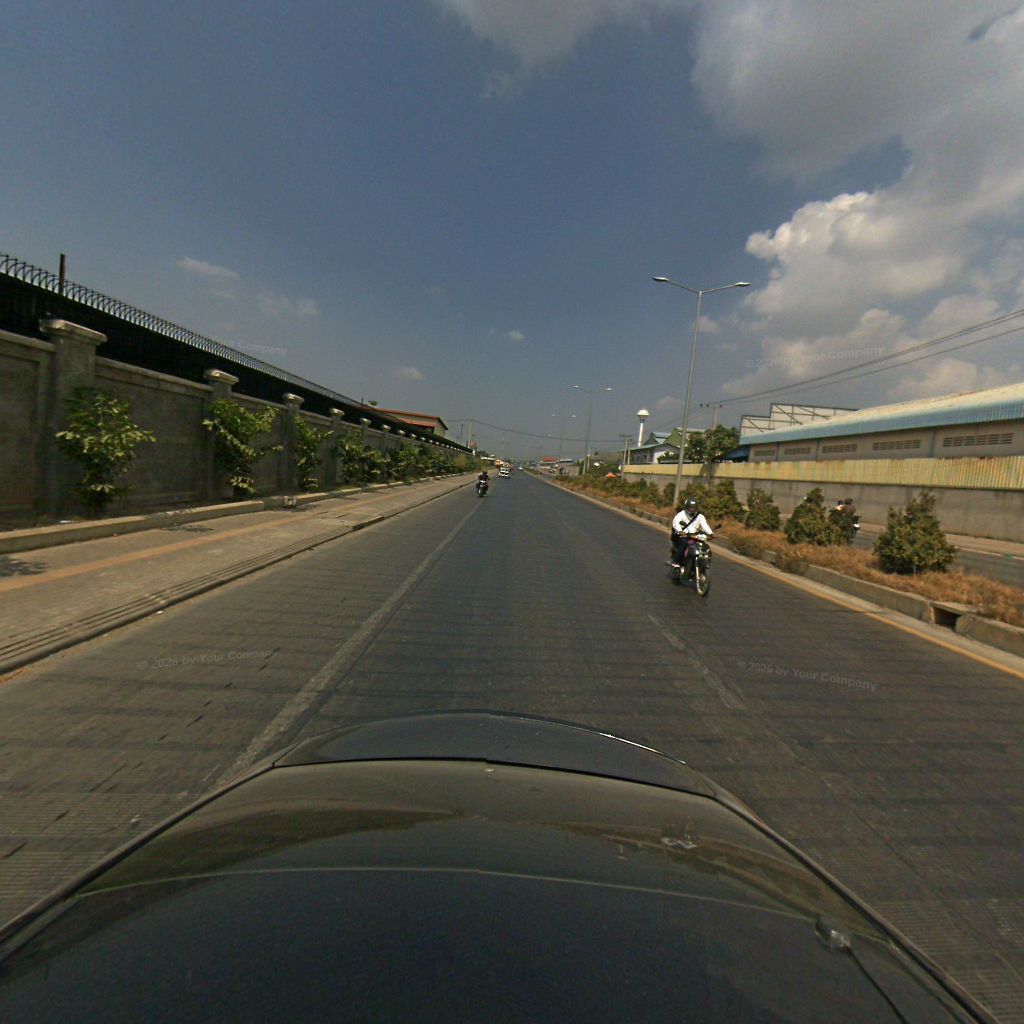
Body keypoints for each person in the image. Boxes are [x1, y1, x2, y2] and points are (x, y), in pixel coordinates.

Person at [670, 498, 714, 579]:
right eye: (691, 507)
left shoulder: (700, 516)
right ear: (686, 507)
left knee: (705, 547)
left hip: (694, 536)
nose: (692, 509)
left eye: (694, 507)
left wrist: (710, 533)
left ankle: (702, 564)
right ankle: (676, 563)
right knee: (683, 545)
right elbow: (676, 523)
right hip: (683, 535)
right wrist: (680, 531)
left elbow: (705, 526)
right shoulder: (681, 514)